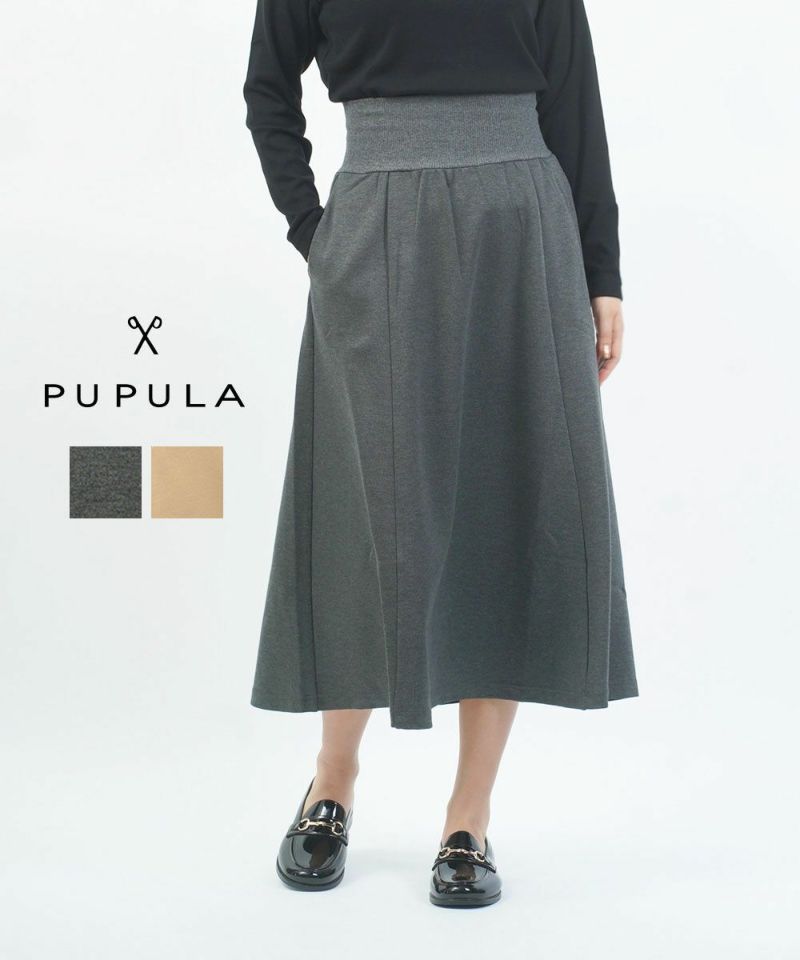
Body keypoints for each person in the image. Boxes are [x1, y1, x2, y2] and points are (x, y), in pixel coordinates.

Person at [243, 0, 639, 908]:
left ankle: (469, 816)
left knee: (505, 507)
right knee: (367, 514)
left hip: (522, 231)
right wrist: (313, 229)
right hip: (375, 227)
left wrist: (603, 272)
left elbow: (575, 106)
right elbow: (268, 91)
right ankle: (333, 780)